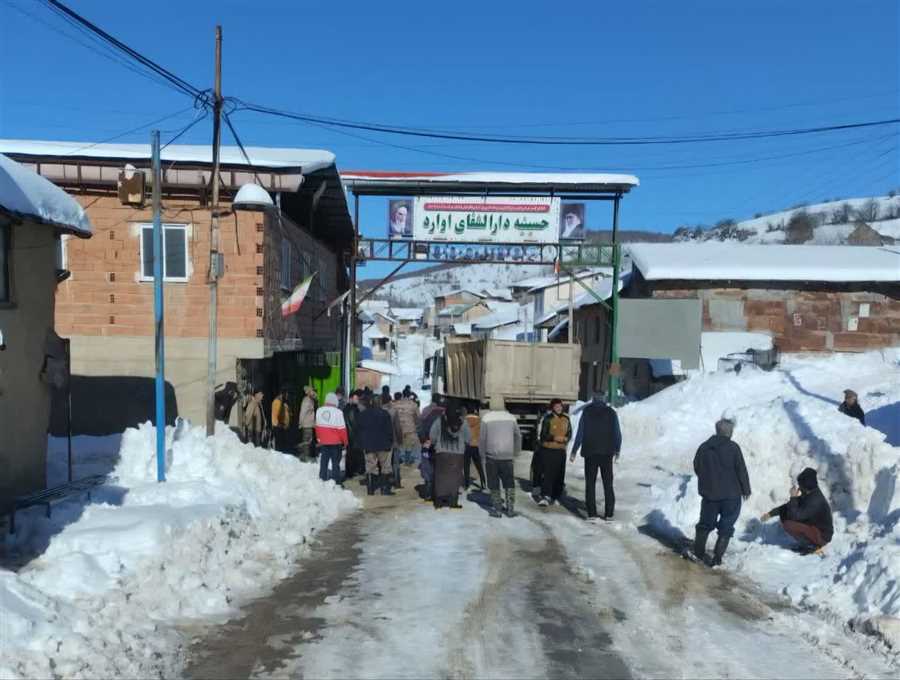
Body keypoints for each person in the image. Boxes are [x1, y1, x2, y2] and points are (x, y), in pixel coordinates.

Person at [692, 418, 751, 566]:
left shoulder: (704, 447)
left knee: (705, 524)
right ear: (729, 433)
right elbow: (741, 470)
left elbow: (697, 467)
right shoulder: (733, 448)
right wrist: (746, 489)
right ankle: (717, 559)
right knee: (726, 527)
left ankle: (698, 552)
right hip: (731, 496)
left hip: (710, 495)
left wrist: (707, 481)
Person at [569, 392, 621, 522]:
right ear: (604, 399)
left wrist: (574, 450)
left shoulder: (587, 412)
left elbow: (580, 431)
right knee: (608, 484)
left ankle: (592, 514)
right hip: (607, 453)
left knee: (590, 484)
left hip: (590, 452)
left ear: (593, 398)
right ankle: (609, 514)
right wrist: (617, 449)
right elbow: (617, 433)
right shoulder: (611, 412)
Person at [761, 468, 833, 553]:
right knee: (785, 514)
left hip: (822, 535)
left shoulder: (815, 500)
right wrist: (770, 514)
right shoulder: (810, 492)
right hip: (814, 526)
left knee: (788, 524)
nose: (799, 487)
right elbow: (788, 507)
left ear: (806, 485)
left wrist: (793, 497)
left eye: (800, 485)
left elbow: (795, 516)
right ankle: (810, 543)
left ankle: (812, 546)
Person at [479, 396, 522, 518]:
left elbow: (482, 439)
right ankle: (510, 509)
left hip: (491, 457)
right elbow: (518, 436)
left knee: (494, 483)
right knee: (509, 483)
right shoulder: (511, 417)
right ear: (503, 404)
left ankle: (497, 510)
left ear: (491, 405)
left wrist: (482, 455)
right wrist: (516, 452)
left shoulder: (486, 418)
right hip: (507, 457)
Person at [429, 405, 470, 508]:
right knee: (455, 477)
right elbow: (468, 438)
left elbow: (432, 435)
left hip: (441, 453)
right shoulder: (463, 422)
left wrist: (435, 444)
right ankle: (453, 502)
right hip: (458, 454)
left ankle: (438, 502)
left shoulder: (439, 421)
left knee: (440, 477)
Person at [355, 393, 396, 495]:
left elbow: (358, 431)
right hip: (384, 444)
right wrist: (390, 441)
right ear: (380, 403)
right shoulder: (385, 414)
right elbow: (389, 430)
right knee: (385, 467)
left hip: (369, 445)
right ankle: (385, 490)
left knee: (371, 467)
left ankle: (370, 489)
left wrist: (361, 444)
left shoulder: (362, 415)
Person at [536, 399, 572, 506]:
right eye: (556, 406)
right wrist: (555, 438)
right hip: (549, 450)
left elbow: (569, 433)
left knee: (559, 474)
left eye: (560, 406)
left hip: (561, 451)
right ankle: (546, 496)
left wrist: (566, 439)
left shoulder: (566, 419)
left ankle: (556, 495)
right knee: (548, 473)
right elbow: (543, 435)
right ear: (552, 407)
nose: (559, 408)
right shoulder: (548, 419)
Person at [315, 392, 348, 484]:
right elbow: (342, 430)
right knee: (335, 463)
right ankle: (336, 482)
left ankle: (322, 479)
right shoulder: (338, 412)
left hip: (324, 442)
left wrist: (319, 439)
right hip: (336, 443)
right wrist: (345, 442)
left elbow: (317, 427)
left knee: (324, 462)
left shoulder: (319, 410)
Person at [392, 391, 421, 466]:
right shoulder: (413, 405)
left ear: (402, 395)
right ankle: (407, 461)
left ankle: (398, 460)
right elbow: (418, 418)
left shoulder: (395, 405)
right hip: (410, 429)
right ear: (410, 396)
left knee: (398, 447)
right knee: (409, 446)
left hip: (398, 430)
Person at [462, 406, 487, 489]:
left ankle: (467, 484)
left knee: (466, 466)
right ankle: (483, 483)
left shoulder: (464, 420)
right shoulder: (480, 421)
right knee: (479, 465)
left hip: (467, 446)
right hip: (476, 445)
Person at [343, 390, 365, 480]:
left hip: (348, 435)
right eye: (356, 398)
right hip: (353, 435)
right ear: (351, 398)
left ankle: (350, 472)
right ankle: (353, 472)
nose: (357, 400)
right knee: (354, 454)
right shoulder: (354, 409)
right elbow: (356, 424)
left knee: (350, 455)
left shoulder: (346, 408)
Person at [298, 386, 317, 461]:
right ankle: (305, 458)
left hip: (310, 424)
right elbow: (302, 412)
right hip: (306, 425)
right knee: (306, 443)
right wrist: (300, 423)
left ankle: (306, 457)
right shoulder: (306, 401)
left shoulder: (311, 400)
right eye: (313, 391)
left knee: (308, 442)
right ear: (309, 392)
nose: (314, 393)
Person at [271, 388, 292, 454]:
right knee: (279, 446)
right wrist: (279, 425)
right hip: (278, 427)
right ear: (282, 394)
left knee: (283, 445)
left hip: (283, 426)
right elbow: (275, 415)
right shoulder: (277, 402)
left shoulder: (283, 402)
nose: (287, 395)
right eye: (286, 394)